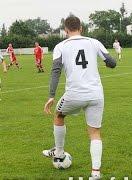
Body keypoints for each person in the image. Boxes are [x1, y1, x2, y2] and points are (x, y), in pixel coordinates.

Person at [42, 16, 117, 179]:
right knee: (95, 132)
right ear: (81, 28)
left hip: (74, 93)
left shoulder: (60, 46)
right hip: (96, 94)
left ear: (65, 30)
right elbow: (112, 63)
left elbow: (55, 71)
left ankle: (59, 152)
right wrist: (106, 63)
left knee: (59, 115)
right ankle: (95, 173)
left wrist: (51, 96)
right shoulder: (94, 42)